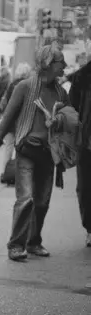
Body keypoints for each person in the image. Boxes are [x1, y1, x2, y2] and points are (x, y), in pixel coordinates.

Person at [0, 43, 68, 262]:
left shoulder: (61, 92)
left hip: (49, 154)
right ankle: (16, 244)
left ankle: (33, 242)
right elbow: (8, 116)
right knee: (26, 199)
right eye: (61, 62)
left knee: (42, 201)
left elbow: (68, 122)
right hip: (27, 151)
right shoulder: (25, 87)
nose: (65, 67)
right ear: (49, 64)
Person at [69, 56, 91, 247]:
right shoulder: (82, 77)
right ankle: (90, 228)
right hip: (86, 143)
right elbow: (72, 109)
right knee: (85, 188)